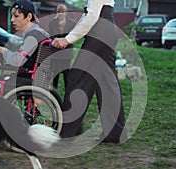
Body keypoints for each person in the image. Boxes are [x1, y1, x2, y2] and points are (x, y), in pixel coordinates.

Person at [52, 0, 127, 143]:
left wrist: (68, 39)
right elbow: (89, 13)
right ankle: (114, 132)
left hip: (100, 32)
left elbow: (92, 16)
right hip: (106, 30)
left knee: (78, 77)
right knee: (107, 84)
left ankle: (68, 132)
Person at [0, 0, 49, 92]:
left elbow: (17, 61)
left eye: (16, 16)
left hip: (25, 80)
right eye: (12, 16)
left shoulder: (32, 36)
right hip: (33, 78)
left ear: (29, 16)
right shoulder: (41, 33)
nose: (12, 20)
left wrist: (2, 50)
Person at [48, 4, 76, 89]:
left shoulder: (72, 23)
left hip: (66, 52)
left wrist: (65, 41)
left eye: (63, 12)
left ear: (66, 12)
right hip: (55, 52)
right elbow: (50, 36)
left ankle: (67, 91)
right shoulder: (52, 23)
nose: (61, 14)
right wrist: (56, 40)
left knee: (66, 74)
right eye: (59, 12)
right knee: (55, 73)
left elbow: (73, 36)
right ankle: (54, 91)